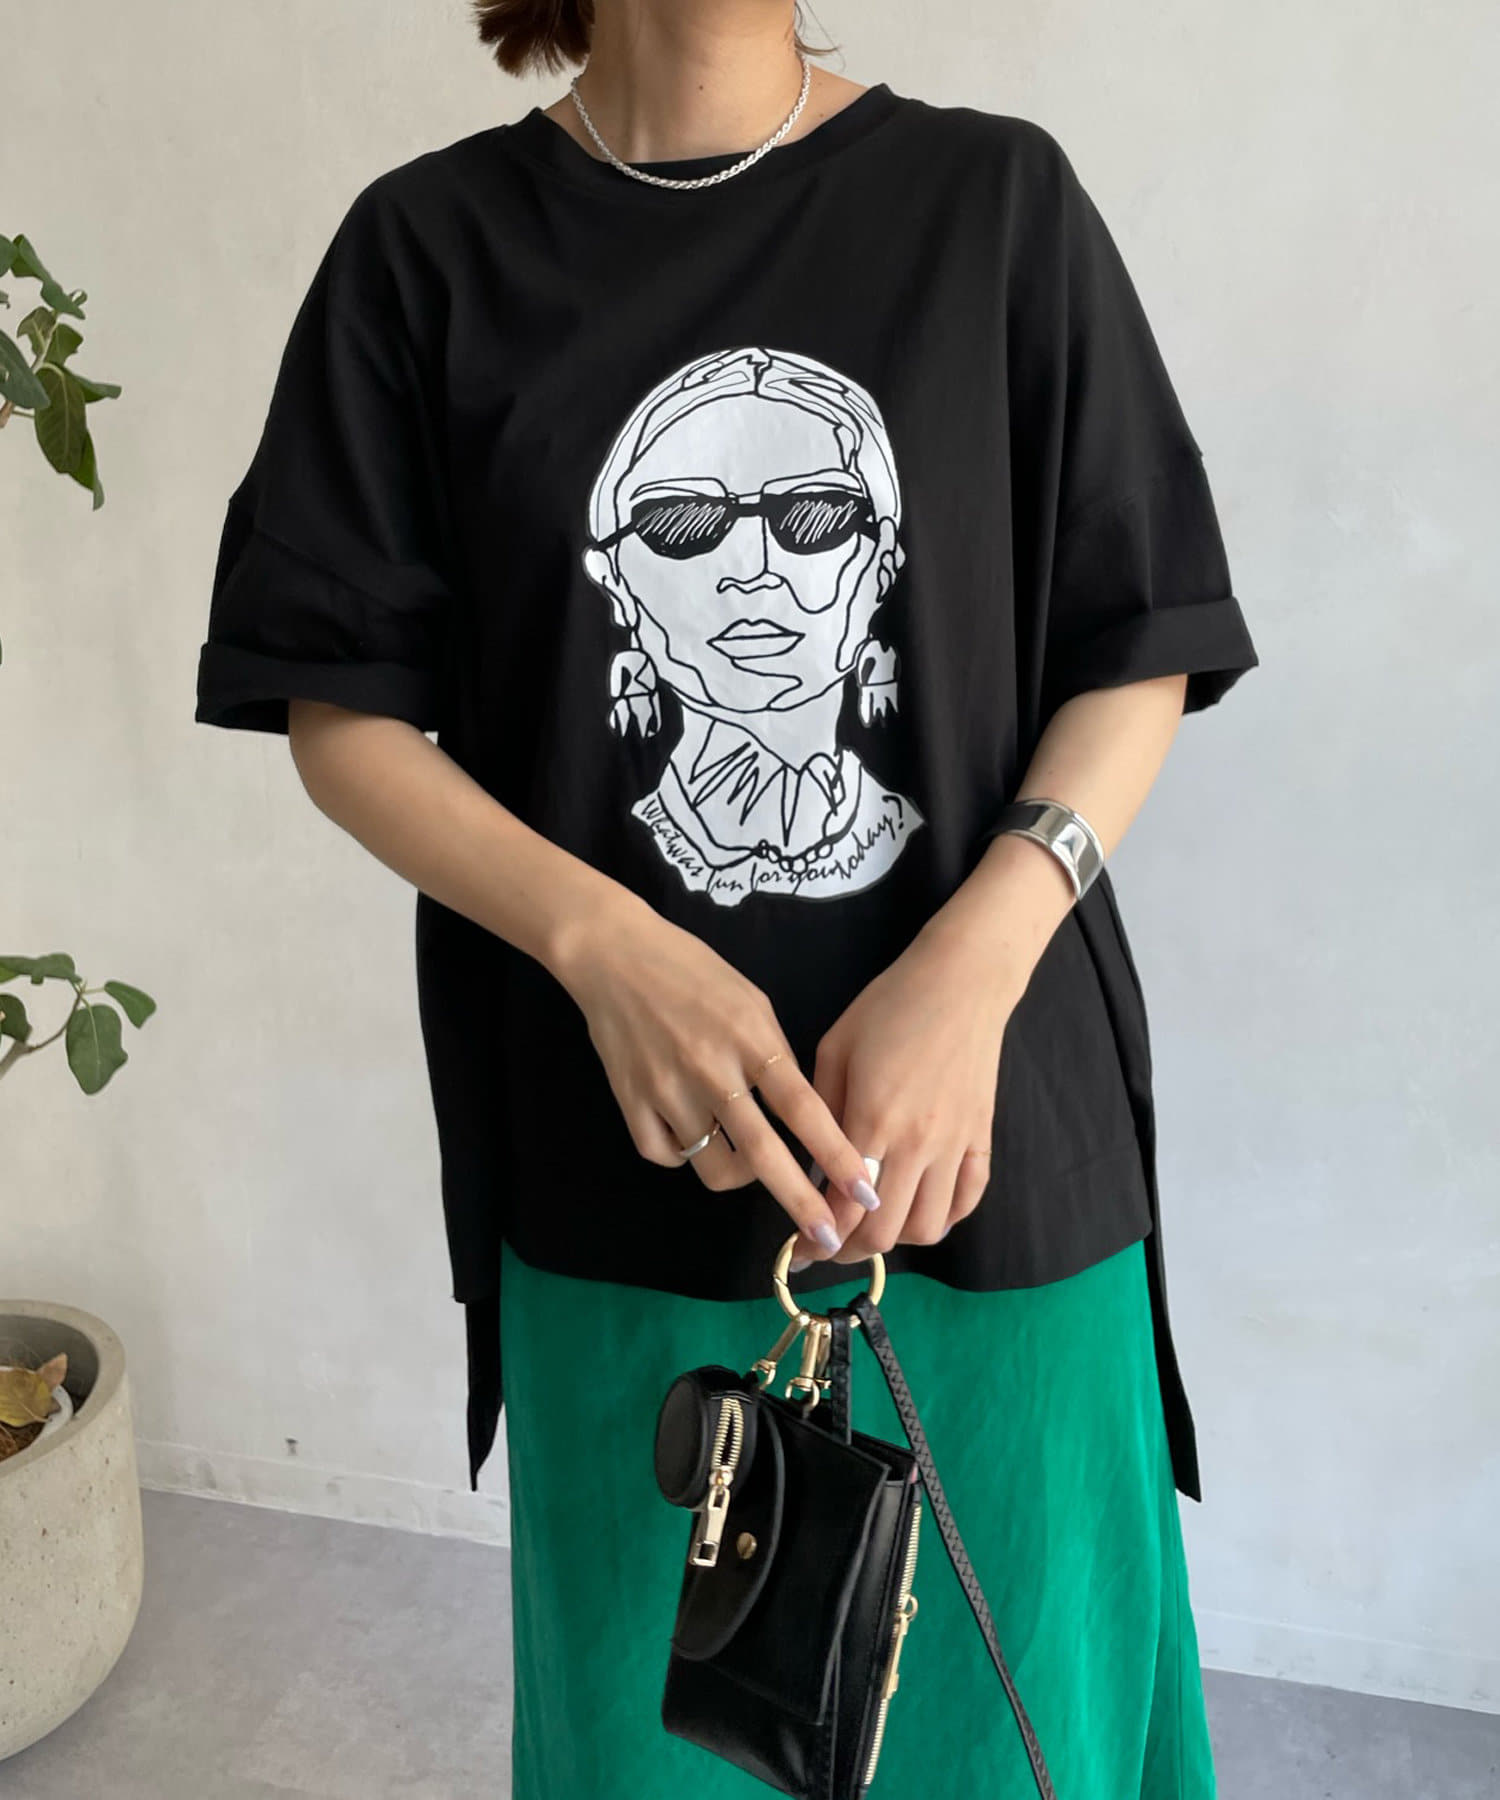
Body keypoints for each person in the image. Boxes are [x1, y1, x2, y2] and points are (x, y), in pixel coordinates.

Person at [195, 3, 1260, 1794]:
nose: (756, 574)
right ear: (626, 575)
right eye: (686, 534)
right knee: (653, 1742)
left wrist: (975, 967)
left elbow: (1136, 641)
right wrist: (605, 949)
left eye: (815, 524)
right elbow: (339, 708)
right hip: (623, 1191)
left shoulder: (996, 206)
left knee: (1028, 1734)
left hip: (992, 1171)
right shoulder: (425, 253)